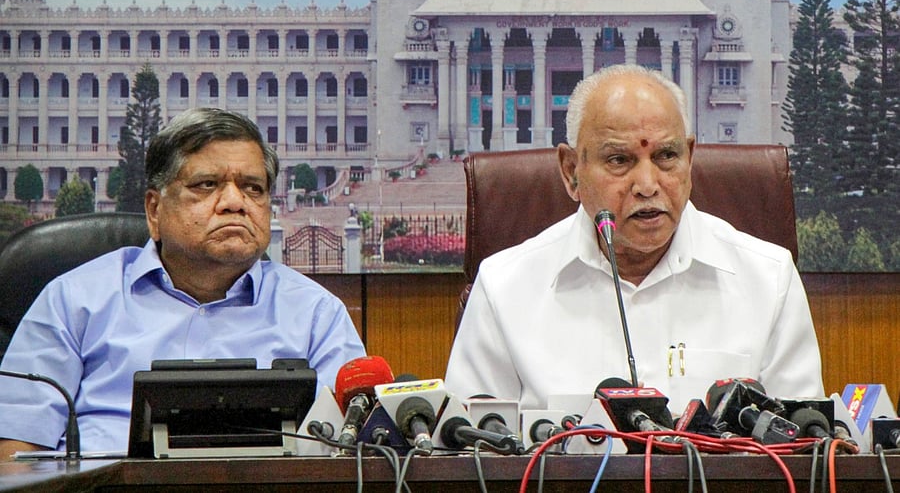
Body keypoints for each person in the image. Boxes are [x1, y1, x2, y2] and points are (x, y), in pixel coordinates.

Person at [444, 64, 824, 415]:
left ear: (689, 159)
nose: (647, 186)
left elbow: (806, 442)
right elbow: (467, 453)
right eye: (619, 160)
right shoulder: (504, 286)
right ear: (571, 172)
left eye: (666, 156)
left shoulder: (768, 279)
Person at [0, 108, 366, 457]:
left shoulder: (317, 314)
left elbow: (349, 449)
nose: (235, 202)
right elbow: (15, 450)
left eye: (253, 188)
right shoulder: (74, 299)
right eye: (207, 185)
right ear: (154, 210)